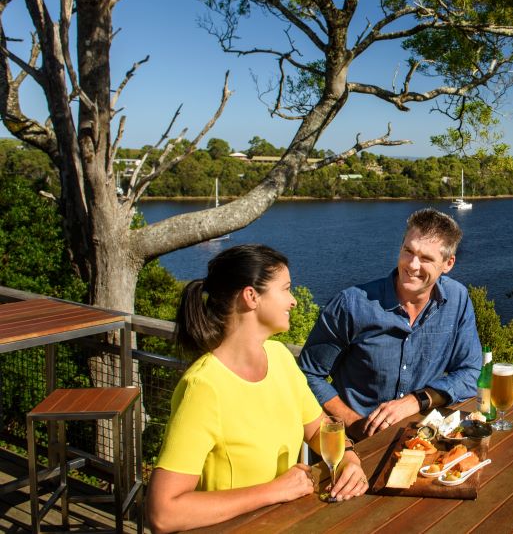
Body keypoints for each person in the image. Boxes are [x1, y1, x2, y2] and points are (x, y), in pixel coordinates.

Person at [147, 244, 368, 533]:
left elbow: (319, 429)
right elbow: (163, 513)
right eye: (286, 289)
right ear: (251, 296)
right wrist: (274, 490)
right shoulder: (204, 387)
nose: (294, 301)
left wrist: (349, 458)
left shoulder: (279, 358)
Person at [300, 208, 482, 439]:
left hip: (419, 438)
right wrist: (354, 424)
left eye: (426, 258)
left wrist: (417, 400)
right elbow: (307, 374)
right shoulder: (351, 305)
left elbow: (471, 371)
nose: (412, 265)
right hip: (352, 443)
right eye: (408, 251)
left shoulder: (457, 299)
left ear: (448, 263)